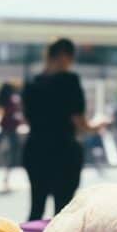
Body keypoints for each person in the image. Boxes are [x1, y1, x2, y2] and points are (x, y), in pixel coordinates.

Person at [21, 38, 105, 220]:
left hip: (35, 150)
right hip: (63, 152)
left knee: (36, 209)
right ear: (65, 56)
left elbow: (28, 119)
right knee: (62, 213)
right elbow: (80, 122)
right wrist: (96, 125)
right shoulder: (70, 81)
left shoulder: (31, 84)